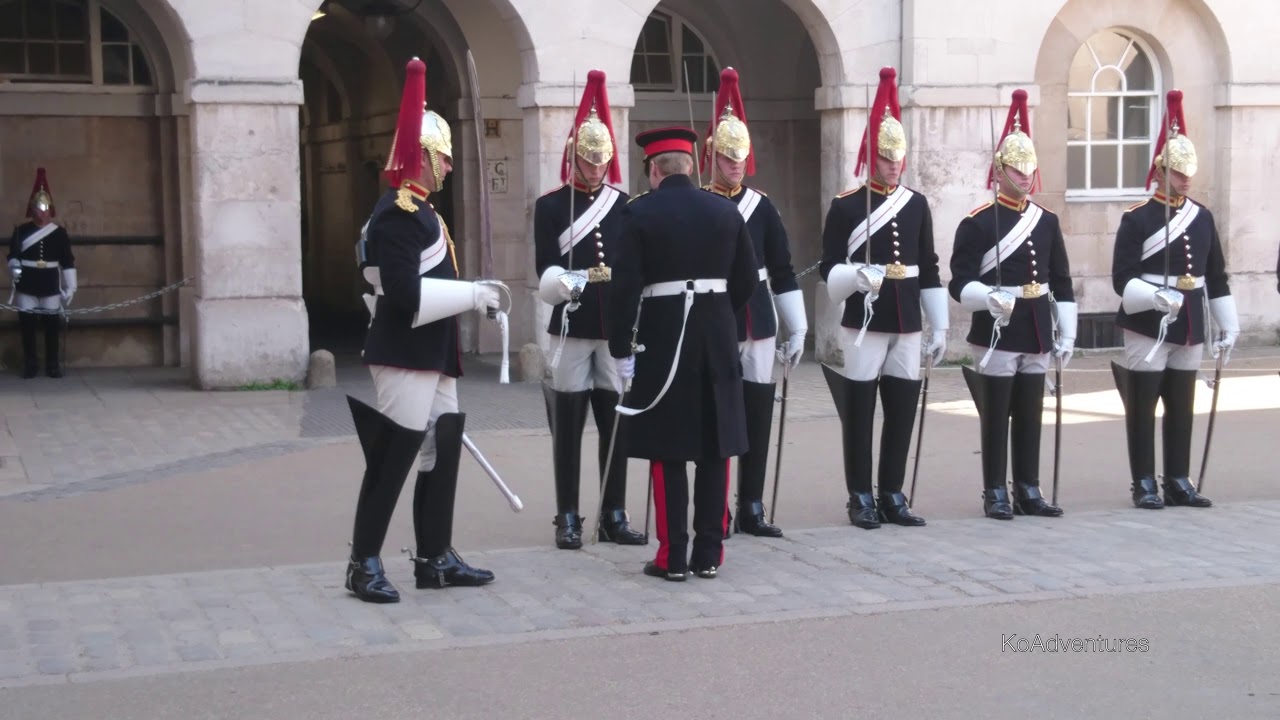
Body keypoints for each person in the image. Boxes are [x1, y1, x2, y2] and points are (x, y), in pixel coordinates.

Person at [344, 57, 501, 603]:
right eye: (444, 158)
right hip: (405, 348)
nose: (449, 168)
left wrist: (473, 296)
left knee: (442, 451)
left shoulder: (424, 213)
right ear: (425, 156)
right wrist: (473, 293)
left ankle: (434, 555)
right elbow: (407, 295)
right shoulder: (398, 214)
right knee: (395, 456)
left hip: (433, 351)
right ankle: (363, 562)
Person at [609, 126, 759, 581]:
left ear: (653, 170)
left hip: (662, 337)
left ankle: (672, 556)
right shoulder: (724, 209)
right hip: (716, 336)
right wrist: (718, 315)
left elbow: (623, 289)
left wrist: (620, 349)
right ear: (692, 166)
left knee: (667, 449)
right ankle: (710, 554)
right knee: (717, 446)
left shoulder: (638, 214)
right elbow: (748, 281)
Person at [819, 67, 945, 529]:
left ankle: (892, 491)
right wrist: (857, 275)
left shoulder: (916, 204)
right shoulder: (848, 205)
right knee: (860, 410)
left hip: (907, 317)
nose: (894, 164)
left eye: (899, 157)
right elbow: (830, 266)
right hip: (864, 320)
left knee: (901, 408)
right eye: (887, 157)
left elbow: (928, 266)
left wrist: (941, 324)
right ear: (871, 155)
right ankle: (859, 495)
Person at [949, 89, 1075, 520]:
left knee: (1029, 413)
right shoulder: (978, 222)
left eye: (1029, 169)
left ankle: (1027, 487)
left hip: (1038, 325)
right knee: (996, 414)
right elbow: (959, 282)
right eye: (1016, 169)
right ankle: (994, 491)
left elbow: (1060, 280)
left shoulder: (1047, 220)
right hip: (998, 328)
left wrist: (1067, 329)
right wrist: (988, 297)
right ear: (999, 170)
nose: (1024, 177)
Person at [533, 69, 645, 550]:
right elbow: (545, 269)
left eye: (602, 160)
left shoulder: (624, 205)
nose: (596, 167)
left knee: (615, 424)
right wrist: (571, 282)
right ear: (573, 158)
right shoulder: (552, 206)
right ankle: (567, 514)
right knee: (569, 428)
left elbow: (633, 267)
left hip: (613, 325)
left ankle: (613, 512)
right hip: (572, 325)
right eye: (588, 159)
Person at [1110, 89, 1235, 510]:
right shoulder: (1138, 217)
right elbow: (1121, 278)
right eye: (1178, 172)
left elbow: (1214, 275)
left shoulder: (1202, 216)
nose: (1186, 179)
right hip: (1148, 319)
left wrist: (1227, 322)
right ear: (1161, 170)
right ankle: (1144, 481)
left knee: (1182, 403)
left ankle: (1179, 478)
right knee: (1143, 404)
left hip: (1191, 319)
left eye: (1189, 172)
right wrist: (1155, 297)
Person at [700, 67, 805, 539]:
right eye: (727, 157)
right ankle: (715, 506)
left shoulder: (762, 207)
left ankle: (752, 504)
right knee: (716, 413)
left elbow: (781, 269)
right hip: (714, 316)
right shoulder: (701, 204)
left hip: (758, 319)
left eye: (741, 156)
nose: (736, 164)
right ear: (712, 157)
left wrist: (796, 325)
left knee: (758, 410)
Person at [7, 168, 75, 379]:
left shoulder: (59, 233)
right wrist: (14, 267)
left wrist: (71, 285)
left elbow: (67, 260)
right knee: (27, 326)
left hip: (49, 283)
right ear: (33, 209)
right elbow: (13, 255)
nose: (42, 212)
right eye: (38, 207)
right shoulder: (21, 231)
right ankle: (30, 363)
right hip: (27, 281)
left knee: (51, 326)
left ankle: (52, 364)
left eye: (45, 207)